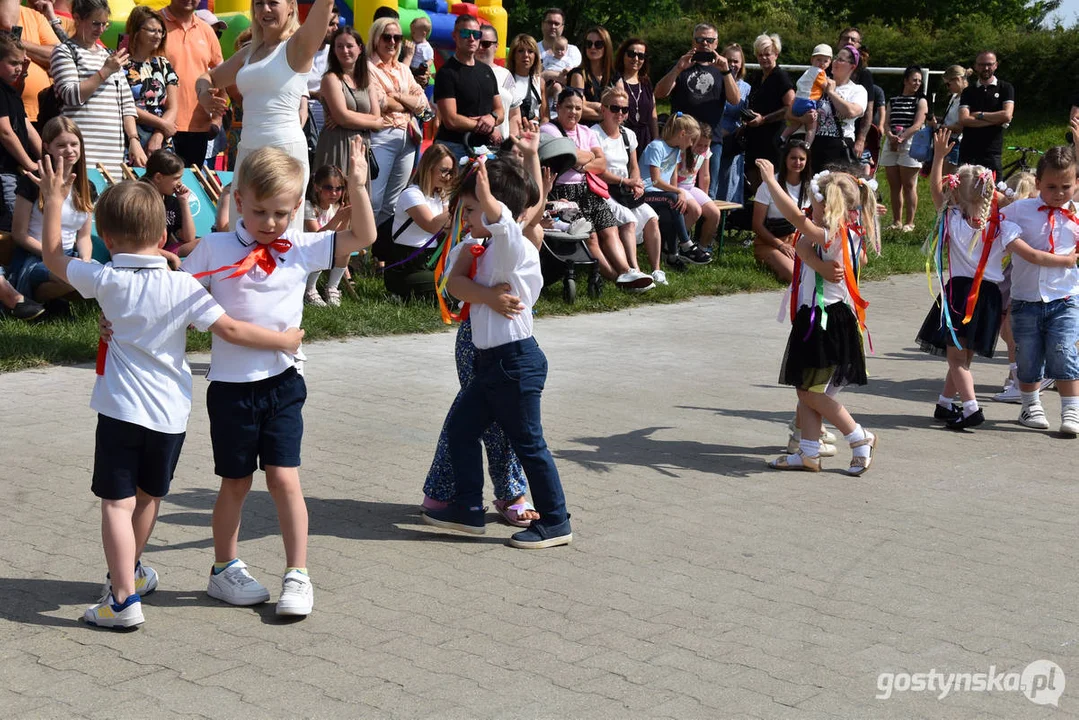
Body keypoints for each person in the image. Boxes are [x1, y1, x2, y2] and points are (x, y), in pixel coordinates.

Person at [34, 156, 303, 629]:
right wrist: (285, 341)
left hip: (120, 411)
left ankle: (121, 598)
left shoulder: (104, 279)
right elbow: (234, 330)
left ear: (108, 240)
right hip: (170, 417)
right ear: (163, 238)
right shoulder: (183, 286)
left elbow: (54, 258)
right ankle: (132, 570)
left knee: (116, 503)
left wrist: (54, 202)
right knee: (148, 497)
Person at [180, 139, 375, 616]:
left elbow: (363, 238)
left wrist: (358, 185)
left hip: (284, 384)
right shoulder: (215, 246)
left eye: (282, 213)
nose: (271, 224)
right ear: (239, 200)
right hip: (230, 387)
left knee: (285, 477)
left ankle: (297, 574)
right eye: (261, 212)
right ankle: (224, 569)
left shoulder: (301, 246)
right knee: (235, 482)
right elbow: (172, 297)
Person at [422, 155, 573, 550]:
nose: (465, 216)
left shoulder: (513, 248)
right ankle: (468, 509)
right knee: (461, 430)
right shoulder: (483, 248)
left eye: (471, 209)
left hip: (515, 364)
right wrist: (487, 295)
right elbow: (455, 286)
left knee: (530, 444)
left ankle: (556, 522)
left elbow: (507, 224)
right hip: (489, 365)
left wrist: (490, 202)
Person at [756, 159, 879, 474]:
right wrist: (812, 258)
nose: (808, 207)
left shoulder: (829, 232)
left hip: (824, 322)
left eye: (812, 201)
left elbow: (794, 218)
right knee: (807, 391)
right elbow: (810, 246)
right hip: (830, 319)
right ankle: (808, 452)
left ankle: (858, 436)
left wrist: (771, 181)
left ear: (823, 202)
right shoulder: (848, 232)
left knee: (811, 392)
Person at [196, 0, 335, 233]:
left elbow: (325, 4)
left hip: (283, 153)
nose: (265, 9)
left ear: (291, 6)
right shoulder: (248, 53)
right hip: (247, 151)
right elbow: (208, 77)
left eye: (273, 3)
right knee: (239, 232)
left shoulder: (298, 45)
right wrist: (203, 95)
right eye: (259, 3)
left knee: (280, 236)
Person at [916, 129, 1016, 430]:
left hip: (960, 294)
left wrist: (939, 159)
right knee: (963, 356)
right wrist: (994, 192)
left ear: (956, 193)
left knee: (956, 359)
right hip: (989, 296)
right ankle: (945, 404)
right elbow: (1014, 203)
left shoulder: (952, 219)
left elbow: (934, 189)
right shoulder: (1001, 222)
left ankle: (971, 408)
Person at [998, 146, 1079, 436]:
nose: (1059, 193)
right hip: (1025, 298)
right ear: (1037, 184)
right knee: (1028, 355)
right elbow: (992, 215)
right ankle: (1030, 405)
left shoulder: (1077, 214)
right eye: (1051, 187)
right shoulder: (1021, 210)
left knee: (1064, 350)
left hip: (1065, 298)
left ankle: (1071, 409)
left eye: (1066, 186)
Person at [541, 87, 653, 290]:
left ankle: (628, 272)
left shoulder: (585, 131)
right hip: (562, 193)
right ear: (558, 107)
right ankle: (617, 279)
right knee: (590, 235)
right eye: (568, 107)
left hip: (587, 188)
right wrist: (589, 156)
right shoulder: (549, 129)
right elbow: (569, 154)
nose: (573, 112)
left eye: (578, 107)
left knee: (610, 230)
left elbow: (601, 164)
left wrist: (577, 160)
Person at [50, 0, 146, 176]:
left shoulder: (109, 55)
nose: (100, 29)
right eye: (95, 23)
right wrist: (106, 71)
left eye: (105, 24)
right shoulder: (64, 51)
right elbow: (71, 95)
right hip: (80, 150)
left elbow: (126, 103)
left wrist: (134, 139)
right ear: (77, 19)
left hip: (113, 154)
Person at [11, 116, 92, 302]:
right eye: (61, 145)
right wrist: (59, 257)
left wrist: (85, 260)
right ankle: (39, 300)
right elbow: (19, 234)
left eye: (74, 143)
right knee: (70, 277)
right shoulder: (33, 182)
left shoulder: (86, 187)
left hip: (71, 255)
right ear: (47, 147)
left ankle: (57, 299)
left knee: (99, 275)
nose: (70, 150)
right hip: (35, 256)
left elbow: (84, 236)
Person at [654, 23, 739, 199]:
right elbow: (659, 93)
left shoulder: (721, 69)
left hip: (710, 141)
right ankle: (677, 227)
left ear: (716, 43)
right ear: (693, 41)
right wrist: (678, 69)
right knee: (673, 190)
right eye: (700, 39)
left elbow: (735, 100)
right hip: (679, 140)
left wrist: (726, 72)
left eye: (709, 40)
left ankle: (703, 226)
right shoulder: (682, 64)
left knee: (708, 193)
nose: (704, 43)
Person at [591, 86, 665, 285]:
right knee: (629, 219)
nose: (620, 114)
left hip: (625, 190)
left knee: (651, 217)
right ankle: (634, 269)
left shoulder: (628, 135)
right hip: (604, 190)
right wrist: (626, 181)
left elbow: (633, 166)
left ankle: (657, 270)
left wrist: (637, 183)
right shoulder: (594, 135)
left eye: (624, 109)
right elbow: (597, 170)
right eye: (615, 108)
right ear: (603, 109)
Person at [366, 16, 428, 223]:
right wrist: (407, 102)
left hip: (408, 139)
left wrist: (399, 97)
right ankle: (364, 251)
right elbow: (380, 102)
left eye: (397, 37)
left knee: (393, 202)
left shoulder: (403, 69)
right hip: (381, 135)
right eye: (387, 37)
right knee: (372, 199)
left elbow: (423, 103)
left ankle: (380, 252)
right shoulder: (367, 68)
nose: (392, 42)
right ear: (376, 38)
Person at [380, 142, 452, 298]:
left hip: (430, 262)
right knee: (451, 290)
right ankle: (399, 294)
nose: (448, 177)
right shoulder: (412, 194)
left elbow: (447, 227)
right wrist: (459, 204)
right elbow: (432, 225)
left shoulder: (441, 196)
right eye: (444, 171)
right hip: (406, 267)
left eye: (450, 172)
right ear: (429, 167)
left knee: (460, 284)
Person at [639, 112, 710, 266]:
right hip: (646, 193)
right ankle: (686, 245)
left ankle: (672, 255)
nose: (691, 144)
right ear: (682, 134)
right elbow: (655, 181)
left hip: (662, 196)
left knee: (673, 208)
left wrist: (678, 192)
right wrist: (678, 192)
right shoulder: (656, 147)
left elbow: (672, 179)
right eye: (691, 139)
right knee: (673, 199)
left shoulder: (677, 151)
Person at [993, 170, 1039, 404]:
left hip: (1022, 279)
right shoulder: (1009, 215)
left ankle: (1016, 378)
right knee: (1006, 331)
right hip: (1008, 276)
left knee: (1012, 332)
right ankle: (1023, 373)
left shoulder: (1034, 218)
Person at [314, 25, 383, 177]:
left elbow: (376, 115)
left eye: (349, 46)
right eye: (339, 46)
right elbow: (342, 117)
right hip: (337, 146)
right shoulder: (330, 78)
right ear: (333, 50)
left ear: (359, 48)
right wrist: (373, 123)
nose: (345, 51)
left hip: (361, 147)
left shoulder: (367, 80)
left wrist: (347, 117)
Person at [161, 0, 223, 168]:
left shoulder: (206, 30)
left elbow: (222, 75)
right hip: (159, 125)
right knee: (153, 188)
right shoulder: (154, 23)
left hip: (198, 128)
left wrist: (217, 120)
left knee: (188, 190)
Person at [433, 15, 501, 161]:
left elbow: (500, 110)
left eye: (476, 34)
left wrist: (492, 117)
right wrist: (485, 126)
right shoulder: (446, 72)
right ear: (454, 36)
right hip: (453, 148)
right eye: (465, 33)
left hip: (484, 149)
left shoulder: (486, 71)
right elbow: (450, 120)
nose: (471, 38)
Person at [742, 33, 793, 199]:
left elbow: (790, 107)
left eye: (767, 54)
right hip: (754, 137)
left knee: (771, 180)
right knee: (754, 179)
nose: (764, 58)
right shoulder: (757, 78)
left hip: (773, 138)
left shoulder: (781, 77)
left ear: (776, 54)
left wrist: (764, 119)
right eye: (760, 54)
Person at [752, 138, 810, 283]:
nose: (797, 162)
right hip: (771, 242)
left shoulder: (811, 186)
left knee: (814, 274)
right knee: (795, 275)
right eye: (793, 158)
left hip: (800, 241)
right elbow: (757, 225)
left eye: (802, 159)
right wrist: (781, 245)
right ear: (785, 159)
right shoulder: (768, 185)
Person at [123, 6, 179, 153]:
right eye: (152, 30)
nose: (158, 36)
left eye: (160, 31)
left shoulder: (163, 64)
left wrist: (159, 134)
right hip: (131, 136)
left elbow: (173, 107)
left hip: (161, 140)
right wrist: (162, 124)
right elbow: (124, 105)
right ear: (136, 31)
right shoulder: (121, 63)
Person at [804, 45, 867, 173]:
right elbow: (792, 111)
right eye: (836, 58)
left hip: (840, 148)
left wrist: (831, 92)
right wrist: (803, 117)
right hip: (816, 145)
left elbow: (851, 112)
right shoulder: (818, 84)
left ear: (852, 66)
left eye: (841, 60)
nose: (835, 62)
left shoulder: (857, 90)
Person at [0, 34, 41, 231]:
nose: (19, 68)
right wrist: (30, 164)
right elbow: (5, 132)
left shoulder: (11, 93)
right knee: (11, 223)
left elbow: (28, 128)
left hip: (16, 171)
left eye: (22, 63)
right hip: (4, 172)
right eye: (13, 63)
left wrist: (46, 159)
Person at [881, 66, 927, 231]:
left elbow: (918, 124)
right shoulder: (893, 100)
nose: (917, 83)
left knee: (909, 184)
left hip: (910, 142)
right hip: (891, 141)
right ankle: (896, 221)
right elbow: (886, 122)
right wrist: (890, 135)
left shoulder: (920, 101)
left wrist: (902, 138)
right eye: (914, 80)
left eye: (919, 81)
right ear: (906, 80)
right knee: (894, 185)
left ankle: (910, 222)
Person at [958, 51, 1014, 176]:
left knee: (993, 193)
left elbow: (1007, 115)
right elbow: (963, 119)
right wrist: (995, 120)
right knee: (965, 193)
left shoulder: (1005, 88)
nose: (986, 68)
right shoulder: (968, 91)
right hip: (968, 151)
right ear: (976, 66)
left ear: (996, 65)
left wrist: (980, 115)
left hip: (992, 152)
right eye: (982, 64)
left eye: (989, 64)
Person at [302, 163, 350, 306]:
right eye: (328, 188)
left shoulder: (335, 207)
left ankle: (332, 287)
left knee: (345, 248)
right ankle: (309, 289)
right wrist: (338, 219)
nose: (334, 193)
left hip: (326, 247)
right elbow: (317, 236)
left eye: (338, 189)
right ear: (317, 187)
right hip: (306, 249)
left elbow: (342, 234)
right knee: (322, 248)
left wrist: (346, 218)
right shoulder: (309, 207)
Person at [3, 2, 58, 126]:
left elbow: (56, 55)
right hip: (6, 115)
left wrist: (12, 40)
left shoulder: (34, 16)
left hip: (40, 115)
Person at [140, 149, 196, 256]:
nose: (180, 183)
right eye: (176, 178)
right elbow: (139, 244)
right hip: (141, 251)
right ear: (158, 177)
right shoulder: (140, 200)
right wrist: (170, 256)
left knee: (204, 243)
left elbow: (189, 237)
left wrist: (183, 201)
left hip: (163, 252)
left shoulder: (170, 201)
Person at [676, 121, 723, 252]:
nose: (702, 148)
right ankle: (674, 243)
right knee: (695, 211)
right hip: (678, 187)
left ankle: (702, 248)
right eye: (699, 145)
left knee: (715, 213)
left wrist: (705, 198)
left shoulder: (705, 152)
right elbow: (672, 178)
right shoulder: (682, 151)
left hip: (691, 188)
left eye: (705, 145)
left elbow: (705, 176)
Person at [835, 27, 875, 171]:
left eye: (853, 39)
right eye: (845, 38)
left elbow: (869, 109)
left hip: (851, 135)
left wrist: (861, 139)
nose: (849, 41)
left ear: (859, 45)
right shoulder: (828, 70)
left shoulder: (864, 75)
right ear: (838, 43)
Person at [715, 42, 751, 203]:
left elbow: (747, 114)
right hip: (711, 136)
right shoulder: (713, 81)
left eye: (736, 61)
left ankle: (724, 219)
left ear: (741, 63)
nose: (732, 64)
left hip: (731, 141)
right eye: (729, 60)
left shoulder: (746, 88)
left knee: (727, 182)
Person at [780, 44, 831, 148]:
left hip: (797, 101)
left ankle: (782, 137)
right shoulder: (819, 72)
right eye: (819, 60)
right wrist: (831, 84)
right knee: (812, 126)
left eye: (825, 61)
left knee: (796, 123)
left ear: (830, 62)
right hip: (808, 102)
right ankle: (807, 145)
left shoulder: (808, 71)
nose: (821, 63)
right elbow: (826, 87)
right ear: (812, 59)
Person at [612, 38, 656, 154]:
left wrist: (656, 140)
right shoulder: (615, 80)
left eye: (641, 56)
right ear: (623, 55)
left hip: (645, 139)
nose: (636, 59)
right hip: (623, 138)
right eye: (631, 54)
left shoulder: (646, 82)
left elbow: (653, 113)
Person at [477, 23, 518, 144]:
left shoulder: (506, 75)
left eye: (485, 44)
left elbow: (514, 113)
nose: (480, 47)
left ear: (496, 46)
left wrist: (512, 142)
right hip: (472, 143)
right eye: (478, 42)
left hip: (501, 147)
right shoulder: (463, 72)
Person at [304, 4, 338, 140]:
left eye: (337, 24)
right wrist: (314, 94)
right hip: (304, 121)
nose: (336, 29)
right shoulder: (300, 53)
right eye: (331, 24)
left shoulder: (338, 53)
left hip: (332, 123)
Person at [567, 25, 613, 124]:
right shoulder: (578, 75)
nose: (592, 47)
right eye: (588, 44)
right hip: (587, 129)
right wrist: (606, 113)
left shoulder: (614, 75)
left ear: (606, 47)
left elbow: (621, 105)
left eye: (598, 44)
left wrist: (589, 104)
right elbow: (579, 108)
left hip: (611, 131)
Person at [935, 64, 970, 175]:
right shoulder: (955, 97)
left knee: (948, 182)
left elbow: (960, 126)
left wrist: (939, 127)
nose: (947, 87)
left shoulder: (968, 97)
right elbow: (950, 120)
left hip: (957, 142)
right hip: (947, 141)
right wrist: (937, 119)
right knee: (942, 180)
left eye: (948, 84)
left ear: (958, 79)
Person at [509, 33, 544, 131]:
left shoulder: (539, 82)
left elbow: (545, 116)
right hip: (513, 131)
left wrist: (540, 128)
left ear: (536, 56)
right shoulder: (506, 79)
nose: (526, 55)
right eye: (520, 51)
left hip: (535, 131)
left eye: (530, 51)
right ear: (513, 55)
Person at [538, 8, 579, 72]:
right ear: (542, 24)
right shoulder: (532, 49)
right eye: (549, 22)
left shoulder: (572, 51)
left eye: (556, 24)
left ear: (562, 27)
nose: (553, 26)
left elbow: (577, 76)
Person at [540, 34, 571, 102]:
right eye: (557, 49)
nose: (559, 51)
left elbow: (570, 68)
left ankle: (556, 103)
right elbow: (542, 67)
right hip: (548, 80)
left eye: (562, 49)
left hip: (560, 80)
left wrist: (567, 70)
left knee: (557, 87)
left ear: (566, 49)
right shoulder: (548, 58)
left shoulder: (567, 60)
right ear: (552, 48)